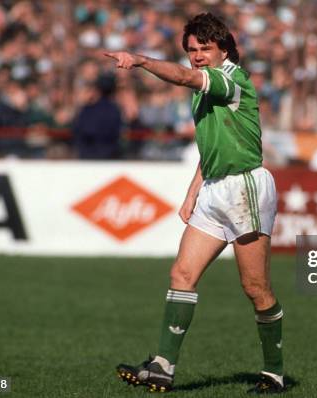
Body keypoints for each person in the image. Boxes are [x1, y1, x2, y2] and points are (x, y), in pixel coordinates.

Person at [105, 13, 284, 394]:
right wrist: (193, 192)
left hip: (245, 187)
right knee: (181, 275)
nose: (198, 56)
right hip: (216, 188)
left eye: (205, 48)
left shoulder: (230, 78)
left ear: (224, 49)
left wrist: (141, 60)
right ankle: (162, 367)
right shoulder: (209, 85)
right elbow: (213, 146)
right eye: (191, 49)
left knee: (256, 289)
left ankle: (274, 373)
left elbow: (185, 77)